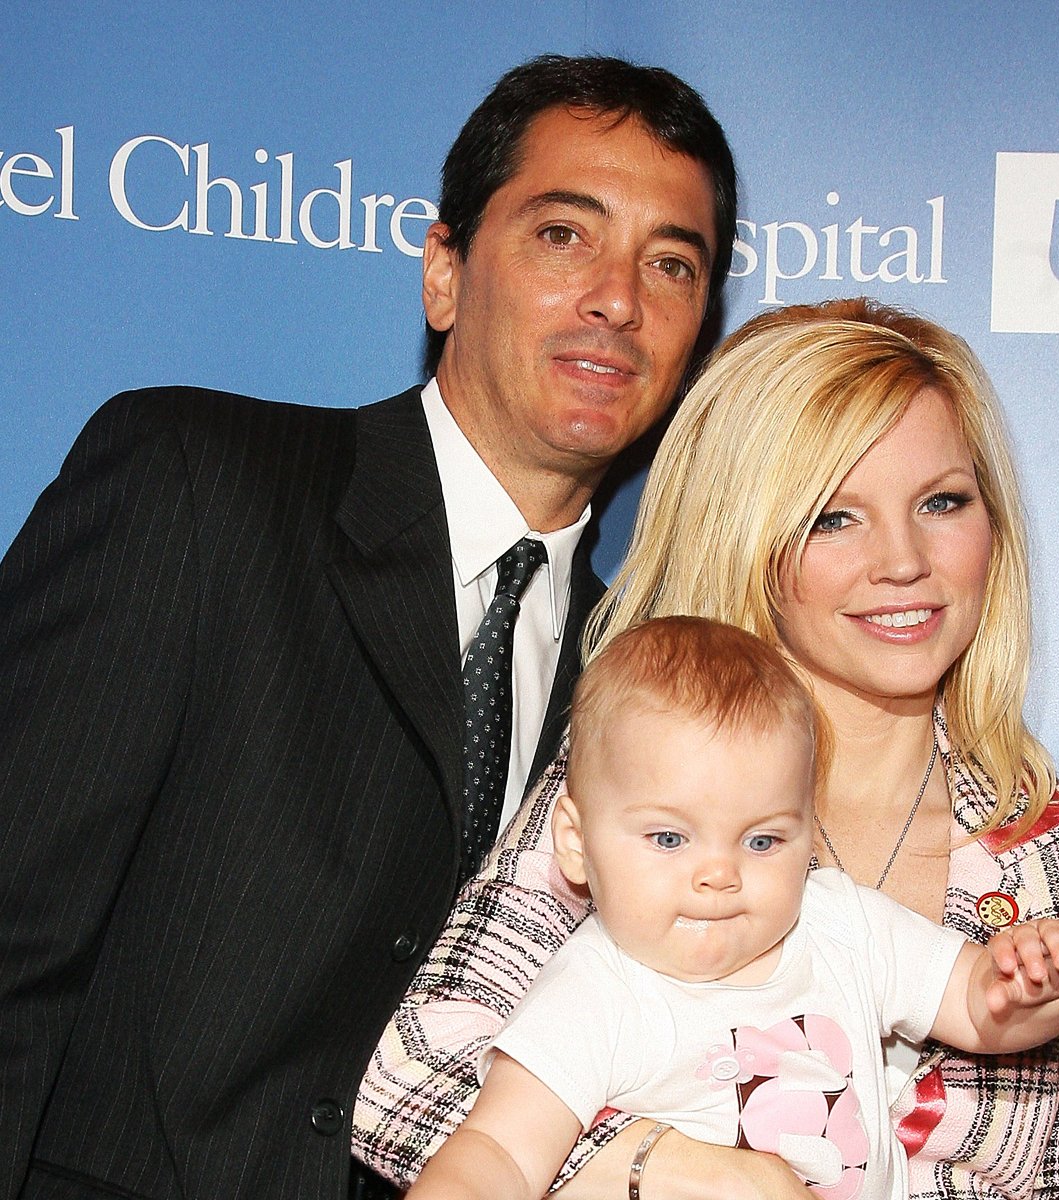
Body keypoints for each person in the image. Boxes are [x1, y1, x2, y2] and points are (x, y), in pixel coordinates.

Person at [0, 54, 734, 1199]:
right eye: (562, 235)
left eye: (672, 265)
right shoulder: (197, 485)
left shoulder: (642, 678)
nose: (618, 299)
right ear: (444, 274)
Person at [356, 298, 1059, 1199]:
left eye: (942, 501)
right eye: (833, 517)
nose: (903, 560)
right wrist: (687, 1175)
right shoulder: (645, 777)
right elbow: (408, 1083)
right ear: (748, 537)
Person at [409, 616, 1059, 1200]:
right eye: (669, 838)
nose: (719, 874)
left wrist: (1028, 986)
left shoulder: (843, 924)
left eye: (762, 840)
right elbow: (496, 1154)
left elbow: (978, 1008)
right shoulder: (592, 996)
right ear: (576, 843)